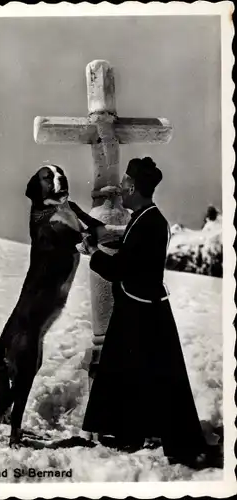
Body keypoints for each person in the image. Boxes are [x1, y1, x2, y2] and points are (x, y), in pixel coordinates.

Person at [79, 157, 208, 466]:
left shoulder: (149, 221)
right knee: (138, 374)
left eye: (124, 184)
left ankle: (144, 436)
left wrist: (93, 252)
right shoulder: (146, 217)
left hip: (140, 311)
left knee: (139, 373)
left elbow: (120, 268)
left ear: (134, 187)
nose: (120, 189)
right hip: (140, 307)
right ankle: (131, 432)